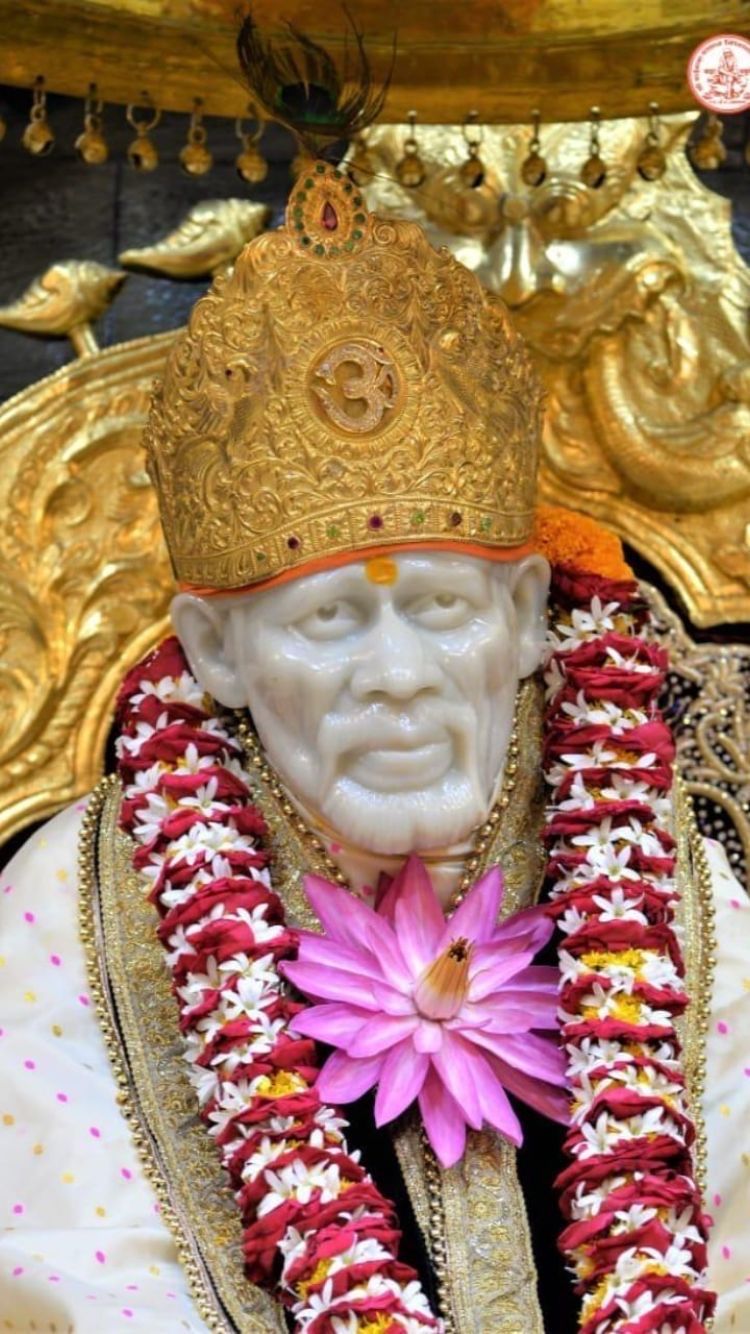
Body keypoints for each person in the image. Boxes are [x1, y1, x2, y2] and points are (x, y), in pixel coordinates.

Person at [1, 159, 748, 1334]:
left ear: (524, 616)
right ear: (217, 648)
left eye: (443, 609)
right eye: (328, 620)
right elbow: (64, 1279)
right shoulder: (79, 901)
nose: (397, 673)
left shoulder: (656, 871)